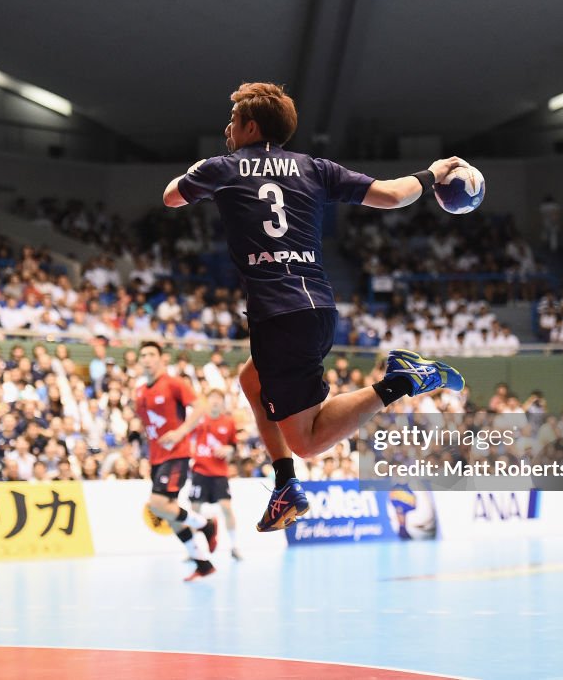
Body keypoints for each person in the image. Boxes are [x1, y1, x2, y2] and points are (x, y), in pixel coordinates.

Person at [162, 82, 465, 531]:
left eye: (232, 122)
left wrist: (197, 168)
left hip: (280, 317)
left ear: (249, 125)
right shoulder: (314, 167)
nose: (227, 130)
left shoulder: (222, 167)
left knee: (307, 442)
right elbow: (394, 195)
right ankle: (285, 483)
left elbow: (171, 196)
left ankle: (402, 381)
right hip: (314, 307)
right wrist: (433, 174)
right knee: (251, 380)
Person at [135, 341, 218, 581]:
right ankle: (203, 564)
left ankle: (206, 525)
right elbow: (147, 426)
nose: (147, 358)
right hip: (156, 459)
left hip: (177, 455)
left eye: (151, 354)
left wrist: (181, 433)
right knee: (170, 516)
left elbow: (200, 406)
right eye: (143, 355)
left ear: (162, 359)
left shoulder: (173, 384)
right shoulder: (140, 391)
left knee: (158, 504)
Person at [189, 389, 242, 560]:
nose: (215, 401)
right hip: (199, 471)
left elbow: (234, 447)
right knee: (194, 510)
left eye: (219, 399)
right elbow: (187, 439)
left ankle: (234, 546)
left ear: (222, 402)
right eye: (212, 398)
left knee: (226, 508)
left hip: (219, 474)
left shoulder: (229, 422)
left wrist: (229, 449)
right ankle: (192, 549)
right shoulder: (197, 420)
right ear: (207, 401)